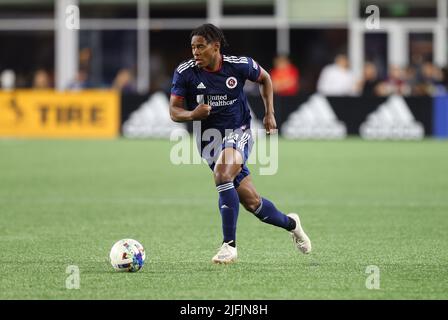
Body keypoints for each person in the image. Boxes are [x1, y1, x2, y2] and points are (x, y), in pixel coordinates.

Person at [169, 23, 311, 264]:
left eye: (201, 47)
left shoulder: (239, 65)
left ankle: (229, 246)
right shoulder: (185, 72)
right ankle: (292, 224)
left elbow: (265, 79)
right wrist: (193, 114)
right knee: (252, 203)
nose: (195, 52)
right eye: (193, 47)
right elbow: (174, 111)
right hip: (208, 142)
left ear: (215, 47)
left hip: (239, 131)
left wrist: (269, 114)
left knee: (223, 175)